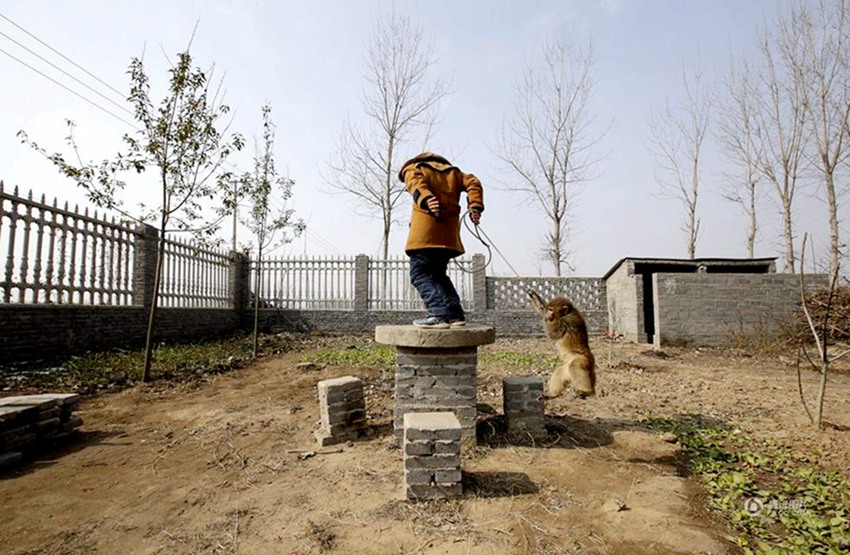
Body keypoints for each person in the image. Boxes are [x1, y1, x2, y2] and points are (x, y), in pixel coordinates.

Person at [398, 152, 484, 328]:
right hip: (448, 237)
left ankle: (438, 313)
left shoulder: (415, 167)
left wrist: (427, 198)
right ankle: (455, 315)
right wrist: (474, 205)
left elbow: (415, 183)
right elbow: (474, 182)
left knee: (419, 274)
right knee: (438, 275)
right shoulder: (455, 173)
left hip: (425, 235)